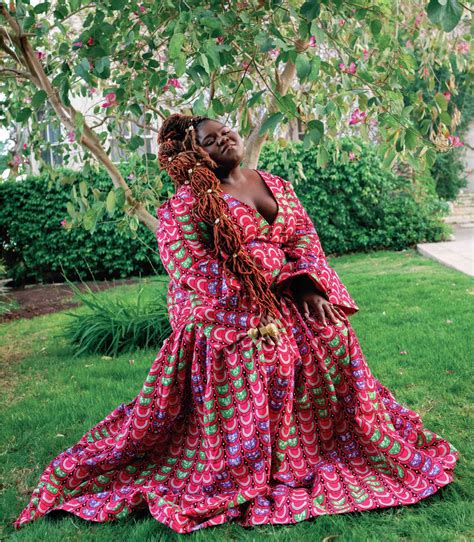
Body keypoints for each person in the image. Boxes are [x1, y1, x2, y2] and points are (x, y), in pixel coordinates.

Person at [14, 113, 459, 534]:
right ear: (196, 155)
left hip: (284, 292)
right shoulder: (186, 205)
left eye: (226, 131)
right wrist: (262, 286)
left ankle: (338, 442)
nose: (224, 138)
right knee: (271, 355)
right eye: (210, 140)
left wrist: (306, 284)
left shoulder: (276, 185)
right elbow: (191, 266)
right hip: (224, 309)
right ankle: (257, 460)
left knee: (332, 333)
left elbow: (303, 239)